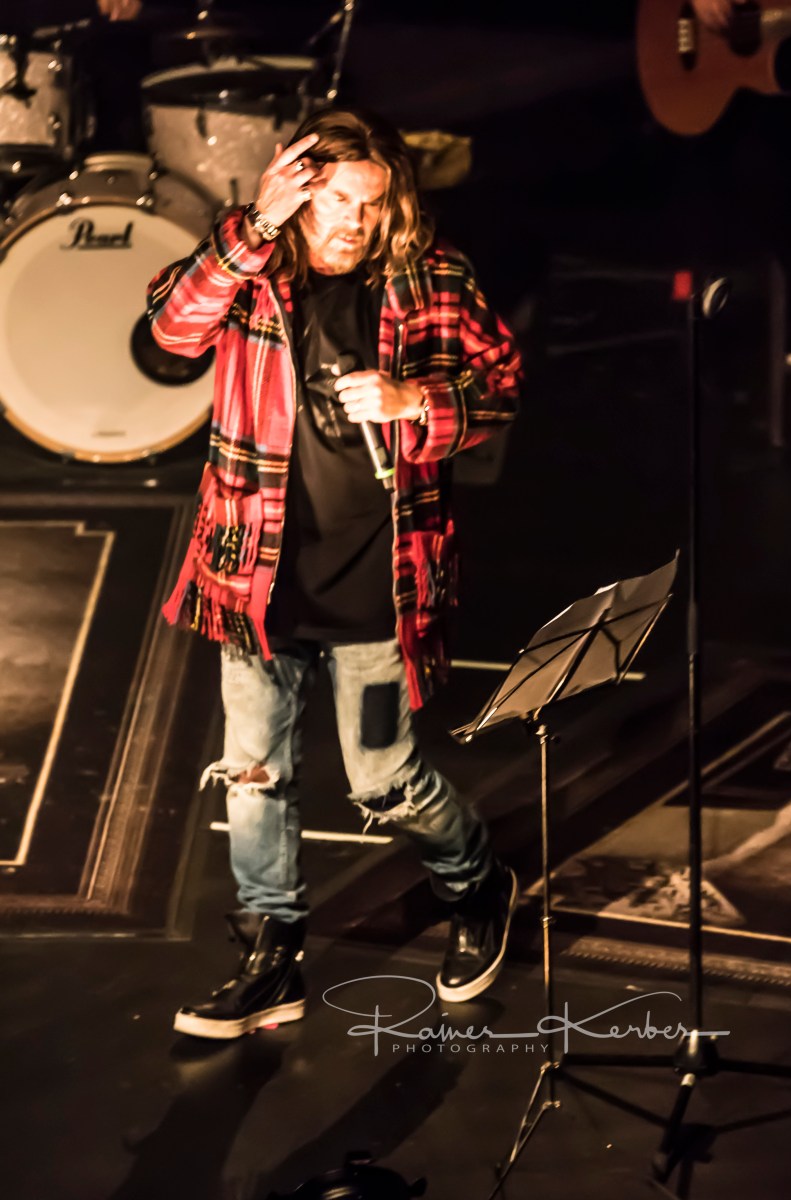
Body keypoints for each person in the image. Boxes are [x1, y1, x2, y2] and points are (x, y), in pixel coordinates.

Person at [148, 105, 523, 1040]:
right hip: (255, 576)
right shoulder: (251, 267)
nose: (355, 221)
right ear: (298, 191)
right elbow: (171, 332)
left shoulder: (430, 277)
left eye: (371, 202)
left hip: (377, 582)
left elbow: (503, 385)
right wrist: (253, 226)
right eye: (336, 201)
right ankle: (270, 956)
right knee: (255, 776)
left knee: (385, 778)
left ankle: (478, 883)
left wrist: (415, 399)